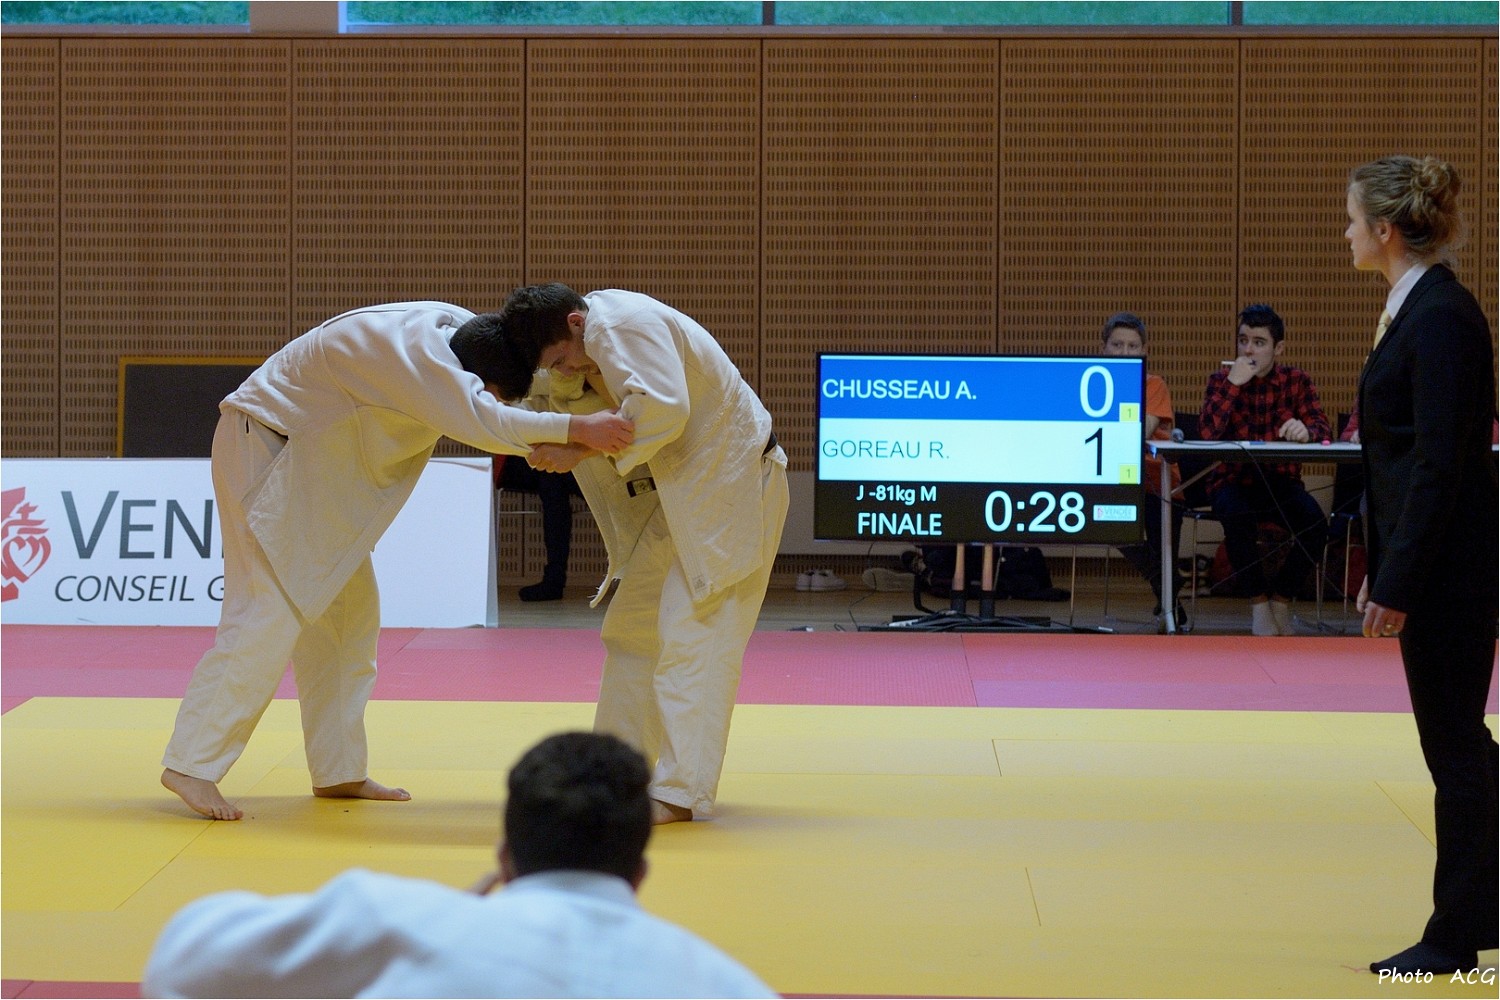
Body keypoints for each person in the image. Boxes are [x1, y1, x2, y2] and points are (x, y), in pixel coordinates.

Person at [160, 302, 634, 822]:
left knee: (348, 623)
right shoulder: (419, 358)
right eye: (490, 392)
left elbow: (499, 399)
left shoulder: (463, 335)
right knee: (268, 612)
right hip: (271, 447)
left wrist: (584, 386)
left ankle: (338, 769)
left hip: (312, 466)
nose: (489, 399)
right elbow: (486, 420)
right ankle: (191, 763)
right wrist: (580, 429)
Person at [142, 732, 777, 998]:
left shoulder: (399, 920)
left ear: (503, 859)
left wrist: (445, 915)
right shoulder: (726, 985)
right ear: (639, 874)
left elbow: (179, 963)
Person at [488, 283, 789, 825]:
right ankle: (614, 778)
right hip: (678, 498)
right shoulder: (577, 354)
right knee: (632, 631)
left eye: (561, 358)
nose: (563, 370)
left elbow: (665, 409)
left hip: (733, 488)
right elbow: (529, 408)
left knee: (693, 635)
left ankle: (679, 791)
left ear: (576, 322)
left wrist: (577, 447)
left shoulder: (619, 324)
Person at [1345, 155, 1497, 977]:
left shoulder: (1440, 318)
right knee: (1461, 744)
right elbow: (1407, 462)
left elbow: (1440, 464)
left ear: (1385, 230)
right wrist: (1383, 564)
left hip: (1451, 569)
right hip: (1435, 558)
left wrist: (1401, 579)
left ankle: (1454, 933)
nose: (1345, 234)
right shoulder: (1418, 309)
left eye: (1352, 221)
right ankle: (1478, 907)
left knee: (1454, 747)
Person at [1198, 303, 1331, 635]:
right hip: (1233, 480)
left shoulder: (1296, 381)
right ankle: (1258, 604)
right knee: (1236, 516)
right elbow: (1207, 435)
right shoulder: (1221, 380)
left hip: (1281, 481)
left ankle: (1281, 600)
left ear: (1278, 348)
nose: (1248, 350)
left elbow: (1323, 429)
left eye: (1258, 342)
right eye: (1243, 340)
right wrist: (1233, 385)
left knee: (1315, 525)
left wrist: (1307, 431)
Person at [1099, 312, 1185, 629]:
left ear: (1143, 351)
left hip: (1157, 479)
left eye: (1132, 346)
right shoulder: (1092, 384)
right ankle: (1168, 584)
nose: (1125, 352)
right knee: (1107, 523)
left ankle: (1169, 603)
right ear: (1103, 349)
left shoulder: (1154, 384)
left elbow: (1141, 430)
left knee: (1163, 534)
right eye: (1117, 345)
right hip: (1113, 479)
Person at [495, 454, 583, 602]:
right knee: (553, 475)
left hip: (569, 461)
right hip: (524, 457)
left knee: (553, 478)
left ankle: (554, 580)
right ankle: (554, 580)